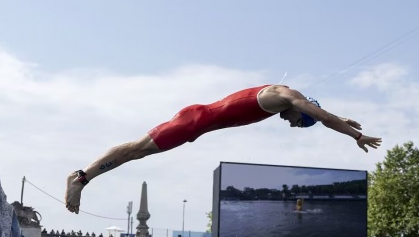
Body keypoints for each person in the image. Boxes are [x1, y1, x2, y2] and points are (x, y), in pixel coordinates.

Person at [64, 84, 382, 213]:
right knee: (137, 150)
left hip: (196, 123)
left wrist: (342, 119)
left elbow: (321, 113)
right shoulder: (286, 97)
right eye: (298, 122)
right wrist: (354, 136)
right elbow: (321, 115)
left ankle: (83, 178)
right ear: (304, 111)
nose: (291, 124)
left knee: (139, 151)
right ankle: (81, 178)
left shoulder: (288, 100)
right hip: (194, 121)